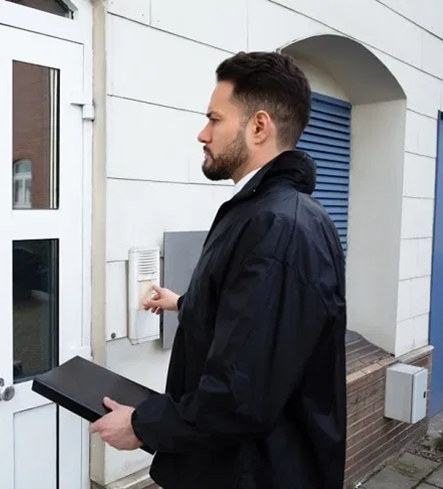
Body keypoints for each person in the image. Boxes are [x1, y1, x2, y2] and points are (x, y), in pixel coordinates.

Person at [89, 51, 347, 488]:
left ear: (259, 127)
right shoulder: (266, 213)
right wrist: (183, 304)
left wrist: (142, 425)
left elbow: (240, 394)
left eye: (214, 119)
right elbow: (256, 318)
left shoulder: (278, 227)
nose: (202, 134)